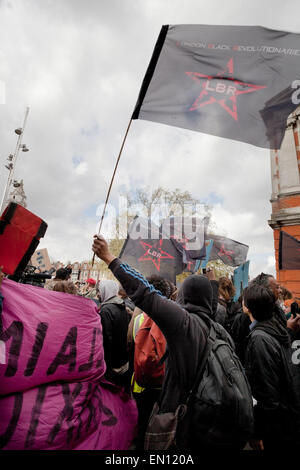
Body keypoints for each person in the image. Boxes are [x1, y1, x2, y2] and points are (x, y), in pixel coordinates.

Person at [92, 235, 241, 451]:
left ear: (184, 297)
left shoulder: (184, 323)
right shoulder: (218, 329)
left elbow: (145, 293)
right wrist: (212, 283)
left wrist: (109, 258)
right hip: (209, 416)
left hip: (182, 421)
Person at [243, 282, 300, 451]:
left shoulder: (259, 338)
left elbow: (267, 393)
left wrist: (259, 432)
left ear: (247, 307)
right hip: (287, 420)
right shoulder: (273, 328)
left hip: (278, 429)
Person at [98, 279, 131, 391]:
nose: (98, 294)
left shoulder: (106, 310)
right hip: (123, 359)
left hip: (112, 364)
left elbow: (106, 339)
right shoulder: (121, 306)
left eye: (100, 290)